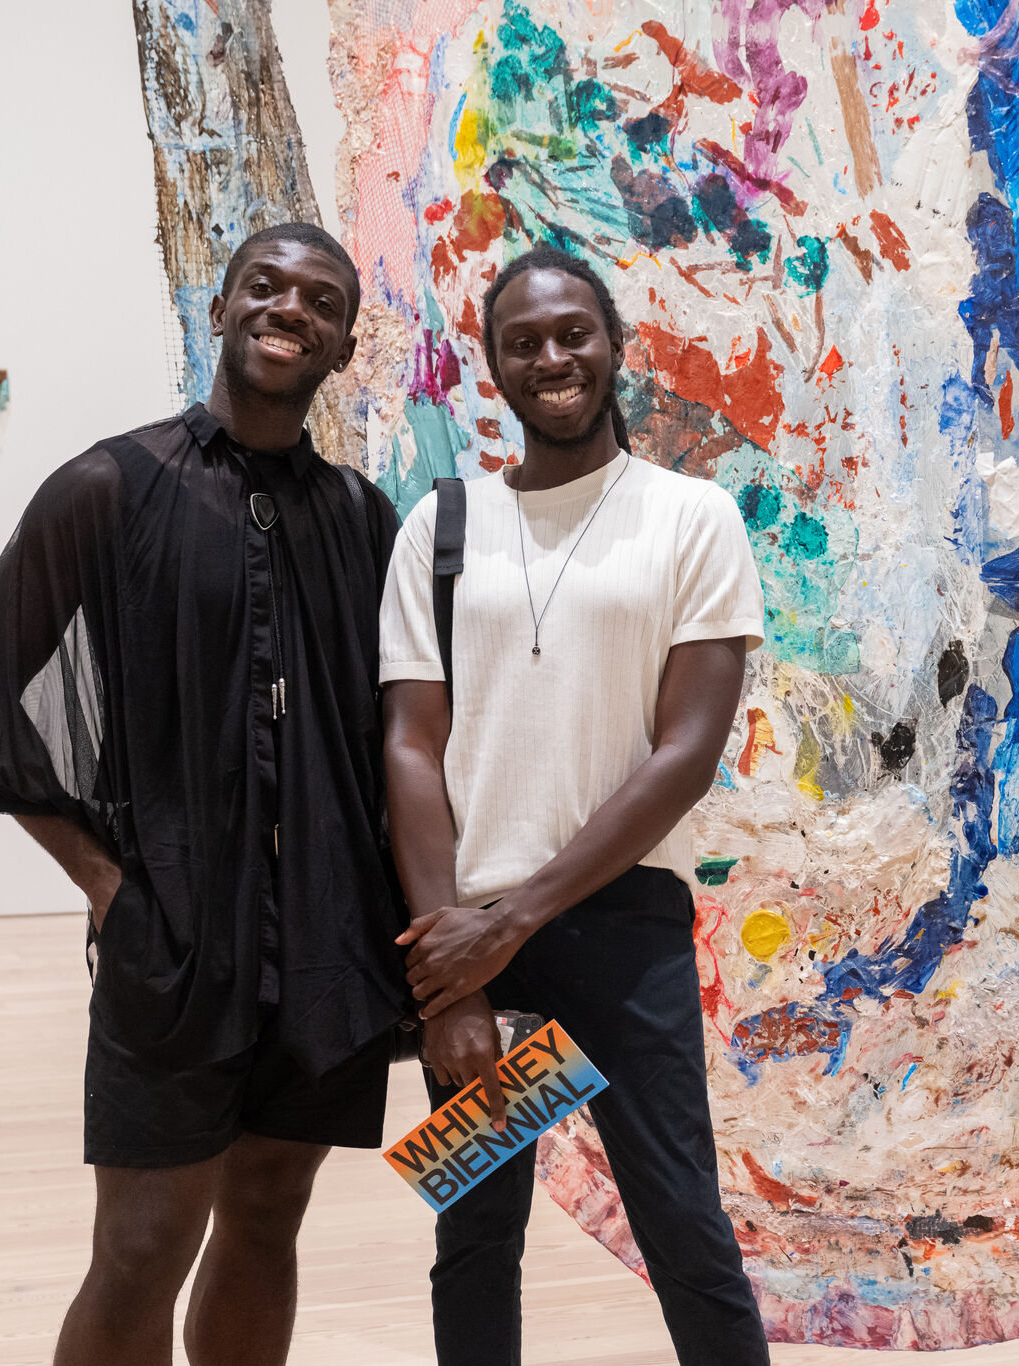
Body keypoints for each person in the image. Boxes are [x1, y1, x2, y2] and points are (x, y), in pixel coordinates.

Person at [0, 223, 405, 1366]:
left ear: (344, 344)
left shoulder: (361, 519)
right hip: (174, 937)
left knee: (265, 1217)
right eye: (265, 286)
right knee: (145, 1242)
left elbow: (403, 734)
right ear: (220, 308)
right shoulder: (112, 483)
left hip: (323, 942)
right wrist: (103, 879)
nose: (288, 308)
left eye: (318, 300)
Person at [378, 243, 772, 1365]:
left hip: (620, 930)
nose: (550, 356)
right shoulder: (441, 527)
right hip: (471, 939)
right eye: (522, 341)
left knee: (682, 1226)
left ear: (611, 348)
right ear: (493, 367)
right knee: (475, 1234)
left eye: (571, 334)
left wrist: (514, 918)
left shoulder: (689, 517)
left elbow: (686, 751)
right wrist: (454, 962)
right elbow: (411, 744)